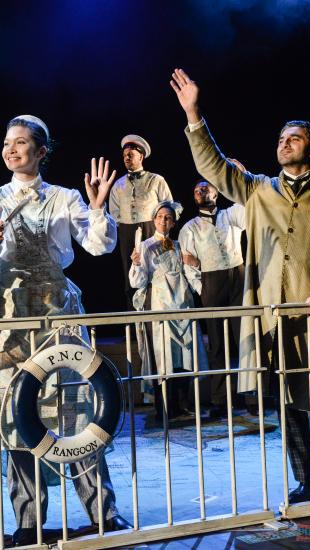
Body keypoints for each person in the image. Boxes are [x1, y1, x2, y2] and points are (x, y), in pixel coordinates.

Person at [170, 67, 310, 503]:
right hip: (271, 316)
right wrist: (193, 115)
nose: (284, 142)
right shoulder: (258, 190)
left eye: (293, 138)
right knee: (289, 402)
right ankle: (307, 480)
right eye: (281, 137)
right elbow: (214, 166)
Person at [0, 115, 132, 546]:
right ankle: (28, 522)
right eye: (7, 142)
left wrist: (97, 208)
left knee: (76, 410)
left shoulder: (64, 197)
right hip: (11, 314)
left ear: (41, 152)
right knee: (16, 414)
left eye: (22, 143)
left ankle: (103, 513)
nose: (12, 149)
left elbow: (99, 245)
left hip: (57, 309)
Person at [130, 201, 207, 420]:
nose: (164, 221)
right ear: (154, 220)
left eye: (168, 218)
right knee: (164, 357)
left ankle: (183, 405)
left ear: (173, 222)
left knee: (184, 355)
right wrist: (136, 264)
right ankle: (165, 407)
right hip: (160, 302)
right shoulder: (145, 246)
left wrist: (198, 276)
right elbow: (138, 282)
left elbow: (190, 273)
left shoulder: (179, 245)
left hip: (182, 302)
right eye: (160, 217)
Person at [179, 180, 246, 419]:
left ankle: (251, 396)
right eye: (196, 190)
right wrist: (203, 289)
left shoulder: (231, 214)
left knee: (245, 339)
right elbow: (188, 264)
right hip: (212, 282)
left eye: (205, 187)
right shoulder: (189, 228)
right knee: (217, 345)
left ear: (217, 192)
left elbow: (248, 209)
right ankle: (221, 400)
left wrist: (238, 178)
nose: (201, 191)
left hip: (238, 279)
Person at [108, 134, 173, 310]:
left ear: (141, 156)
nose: (126, 158)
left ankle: (159, 316)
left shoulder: (156, 180)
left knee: (156, 270)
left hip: (152, 228)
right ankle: (134, 326)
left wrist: (162, 230)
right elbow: (113, 214)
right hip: (127, 232)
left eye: (130, 155)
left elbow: (169, 207)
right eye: (124, 156)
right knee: (131, 273)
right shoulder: (118, 185)